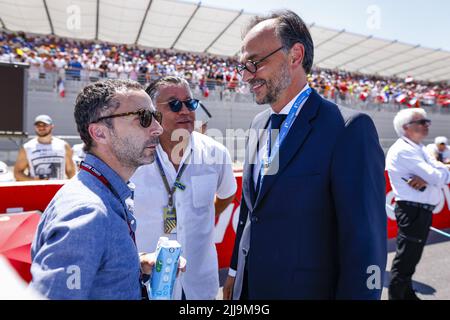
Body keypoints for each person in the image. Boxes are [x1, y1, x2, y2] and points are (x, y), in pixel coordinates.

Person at [223, 10, 387, 300]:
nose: (247, 76)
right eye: (244, 66)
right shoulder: (259, 123)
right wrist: (235, 274)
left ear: (295, 56)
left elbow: (366, 243)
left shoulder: (348, 129)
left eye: (255, 63)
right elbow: (251, 214)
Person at [30, 79, 171, 299]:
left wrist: (133, 263)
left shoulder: (104, 193)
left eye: (156, 116)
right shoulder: (87, 213)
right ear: (99, 133)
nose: (158, 128)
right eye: (144, 118)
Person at [131, 76, 237, 300]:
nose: (185, 111)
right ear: (152, 112)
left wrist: (206, 213)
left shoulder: (216, 153)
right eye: (174, 104)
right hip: (144, 285)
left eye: (190, 103)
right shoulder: (131, 157)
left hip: (200, 284)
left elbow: (227, 194)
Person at [386, 108, 450, 300]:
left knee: (411, 259)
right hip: (412, 210)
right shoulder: (404, 150)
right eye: (422, 122)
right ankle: (397, 296)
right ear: (406, 127)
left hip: (419, 210)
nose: (426, 125)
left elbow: (438, 172)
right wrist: (436, 173)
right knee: (406, 259)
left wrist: (437, 173)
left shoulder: (418, 148)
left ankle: (407, 294)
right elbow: (437, 176)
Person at [14, 115, 76, 181]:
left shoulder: (63, 145)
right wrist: (34, 181)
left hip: (59, 189)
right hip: (37, 190)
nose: (41, 128)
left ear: (52, 126)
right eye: (38, 125)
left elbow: (70, 171)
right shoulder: (27, 148)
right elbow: (17, 173)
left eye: (45, 125)